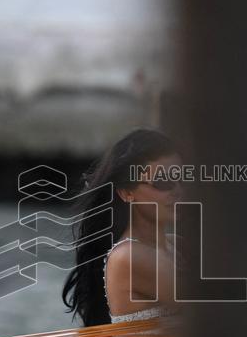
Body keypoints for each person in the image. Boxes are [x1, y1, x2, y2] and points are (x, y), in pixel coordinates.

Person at [62, 129, 181, 326]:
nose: (178, 191)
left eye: (183, 179)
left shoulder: (176, 245)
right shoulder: (130, 257)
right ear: (126, 193)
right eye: (163, 182)